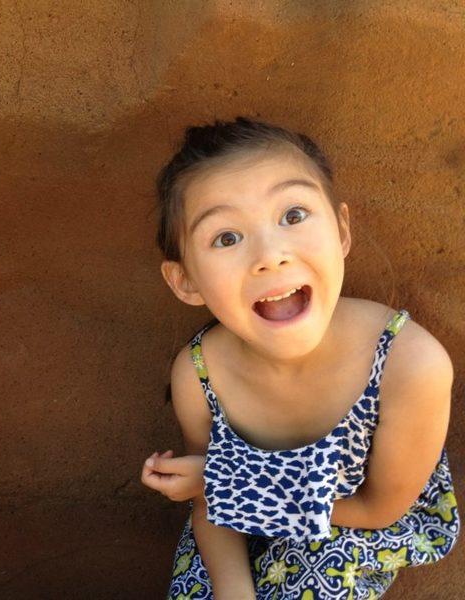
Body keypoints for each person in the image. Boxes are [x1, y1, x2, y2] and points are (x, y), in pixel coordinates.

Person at [140, 118, 459, 599]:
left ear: (342, 232)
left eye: (293, 215)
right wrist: (233, 590)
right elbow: (211, 504)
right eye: (226, 238)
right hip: (235, 537)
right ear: (185, 280)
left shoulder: (409, 365)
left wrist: (228, 482)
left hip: (345, 537)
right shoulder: (200, 372)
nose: (271, 255)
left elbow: (378, 509)